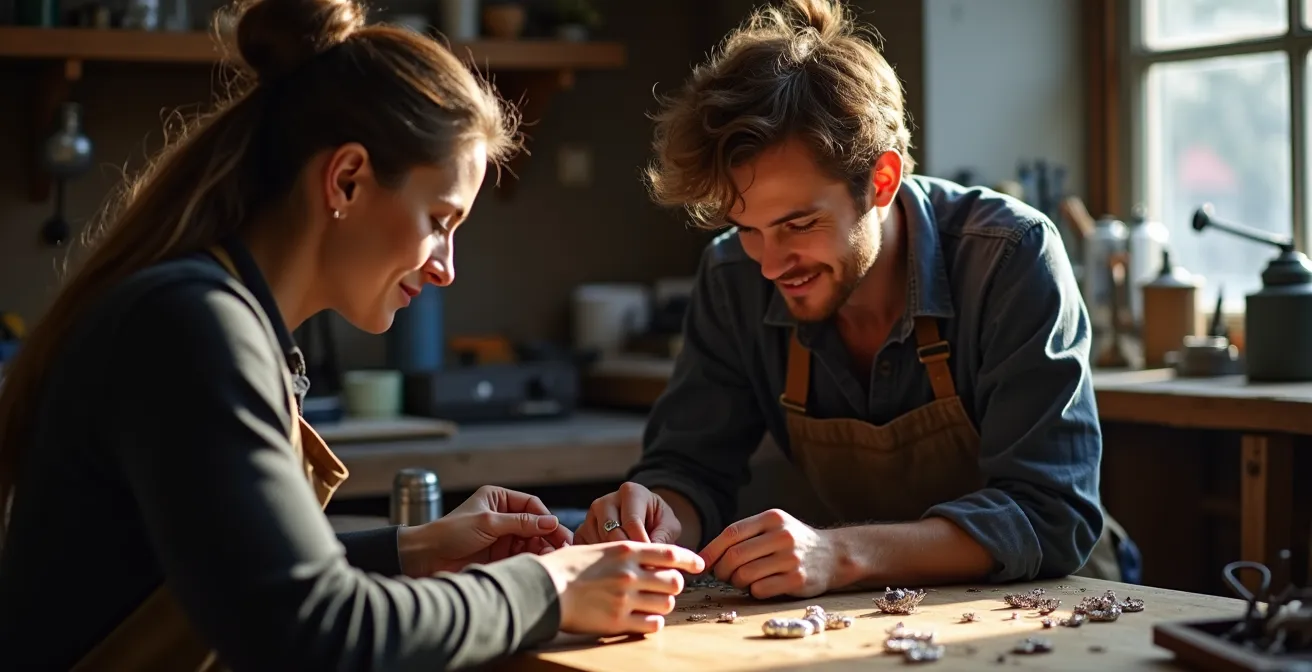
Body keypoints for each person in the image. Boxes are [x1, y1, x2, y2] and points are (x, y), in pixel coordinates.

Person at [0, 0, 705, 669]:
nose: (446, 270)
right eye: (440, 221)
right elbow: (315, 636)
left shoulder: (210, 314)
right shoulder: (192, 328)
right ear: (345, 181)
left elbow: (236, 584)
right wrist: (548, 589)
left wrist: (412, 550)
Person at [576, 0, 1138, 596]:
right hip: (878, 612)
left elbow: (1050, 517)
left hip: (1052, 603)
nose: (769, 264)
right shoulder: (732, 274)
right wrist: (659, 515)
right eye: (747, 227)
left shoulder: (1008, 257)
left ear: (881, 180)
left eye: (797, 225)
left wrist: (837, 554)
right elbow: (691, 466)